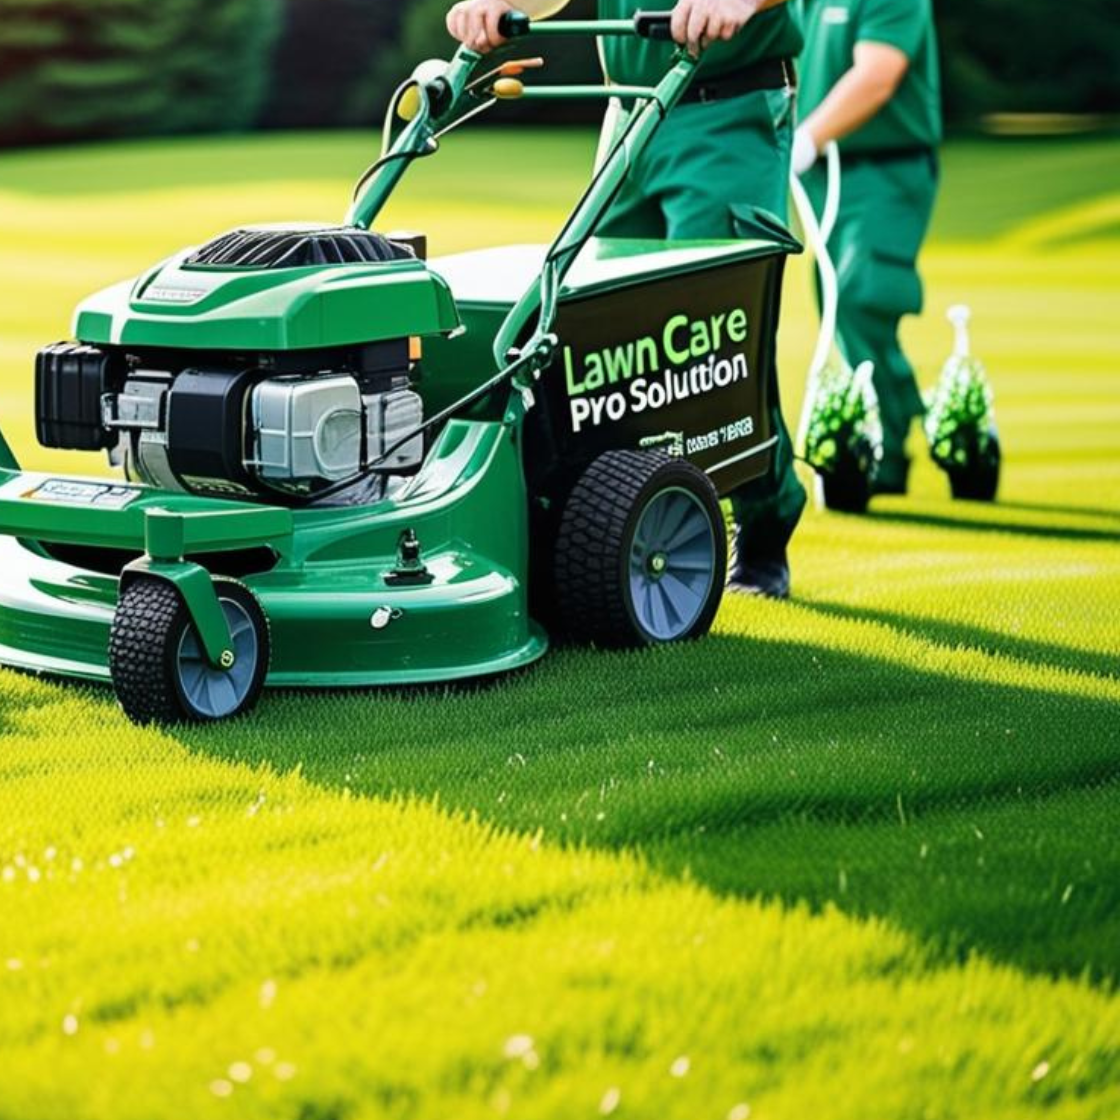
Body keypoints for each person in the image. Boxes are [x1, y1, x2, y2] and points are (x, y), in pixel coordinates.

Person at [446, 0, 806, 598]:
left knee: (716, 335)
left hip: (728, 105)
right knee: (599, 329)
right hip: (632, 112)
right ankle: (601, 526)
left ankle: (766, 521)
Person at [792, 0, 942, 495]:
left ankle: (887, 444)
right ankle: (885, 427)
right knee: (834, 297)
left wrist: (810, 135)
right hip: (824, 169)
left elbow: (878, 73)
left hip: (887, 166)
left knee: (863, 291)